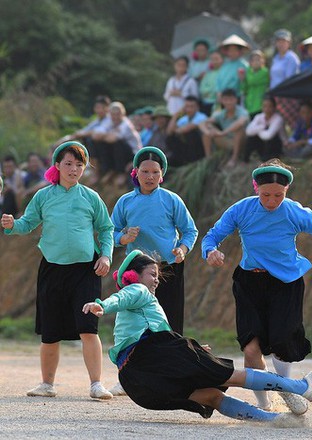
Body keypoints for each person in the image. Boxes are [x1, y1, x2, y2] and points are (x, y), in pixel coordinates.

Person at [201, 159, 312, 413]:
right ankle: (264, 404)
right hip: (250, 283)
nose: (271, 201)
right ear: (255, 188)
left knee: (282, 343)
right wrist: (210, 251)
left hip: (286, 283)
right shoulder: (241, 209)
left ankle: (286, 393)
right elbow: (213, 235)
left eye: (278, 195)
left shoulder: (294, 212)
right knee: (250, 349)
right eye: (266, 194)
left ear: (287, 191)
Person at [82, 250, 312, 421]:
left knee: (212, 396)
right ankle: (302, 387)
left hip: (137, 381)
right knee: (233, 375)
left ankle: (273, 421)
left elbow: (161, 335)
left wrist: (193, 349)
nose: (156, 280)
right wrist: (101, 304)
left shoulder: (143, 310)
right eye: (152, 274)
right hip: (150, 356)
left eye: (157, 275)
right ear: (133, 277)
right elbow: (120, 298)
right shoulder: (136, 290)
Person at [1, 141, 114, 399]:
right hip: (52, 268)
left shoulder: (91, 197)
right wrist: (10, 223)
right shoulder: (43, 196)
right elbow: (27, 224)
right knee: (50, 332)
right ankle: (47, 384)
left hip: (86, 270)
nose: (74, 169)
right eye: (68, 164)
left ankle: (96, 384)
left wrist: (106, 256)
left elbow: (106, 229)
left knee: (88, 328)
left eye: (79, 165)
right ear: (57, 166)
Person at [112, 146, 197, 336]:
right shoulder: (125, 201)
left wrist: (182, 249)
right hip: (137, 271)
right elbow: (111, 232)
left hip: (169, 267)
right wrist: (123, 238)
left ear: (161, 175)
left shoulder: (171, 200)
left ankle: (173, 360)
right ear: (136, 172)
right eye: (145, 171)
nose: (150, 177)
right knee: (140, 319)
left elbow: (190, 230)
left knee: (171, 319)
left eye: (155, 172)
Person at [91, 101, 142, 183]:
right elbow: (95, 136)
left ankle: (121, 172)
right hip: (116, 150)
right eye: (113, 114)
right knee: (98, 143)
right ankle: (106, 170)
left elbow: (113, 139)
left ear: (123, 114)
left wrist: (104, 135)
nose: (115, 117)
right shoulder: (109, 122)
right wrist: (107, 135)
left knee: (118, 143)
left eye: (118, 114)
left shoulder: (126, 125)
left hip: (132, 153)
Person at [200, 88, 249, 166]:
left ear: (236, 100)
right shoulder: (221, 113)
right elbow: (202, 123)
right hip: (228, 142)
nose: (228, 102)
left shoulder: (242, 112)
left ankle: (234, 158)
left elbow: (240, 123)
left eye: (231, 99)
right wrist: (208, 132)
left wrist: (222, 133)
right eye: (226, 100)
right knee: (208, 128)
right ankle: (208, 158)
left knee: (239, 130)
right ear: (222, 101)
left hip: (242, 143)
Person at [271, 29, 301, 128]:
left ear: (289, 43)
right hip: (275, 94)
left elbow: (289, 79)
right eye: (279, 41)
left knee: (290, 123)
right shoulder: (276, 58)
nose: (281, 44)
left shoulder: (291, 58)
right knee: (276, 123)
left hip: (286, 95)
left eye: (284, 41)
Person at [166, 96, 207, 166]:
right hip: (187, 147)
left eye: (192, 107)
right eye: (187, 106)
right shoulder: (184, 119)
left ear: (197, 107)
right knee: (170, 138)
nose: (189, 109)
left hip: (199, 147)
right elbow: (169, 132)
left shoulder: (201, 117)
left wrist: (176, 130)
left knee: (191, 134)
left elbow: (184, 130)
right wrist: (176, 115)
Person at [243, 96, 286, 162]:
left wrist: (257, 130)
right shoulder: (259, 116)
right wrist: (262, 127)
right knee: (251, 138)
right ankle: (246, 160)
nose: (267, 109)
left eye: (270, 106)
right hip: (262, 143)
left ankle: (267, 159)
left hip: (275, 145)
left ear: (274, 107)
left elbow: (268, 136)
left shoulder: (278, 119)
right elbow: (248, 131)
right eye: (265, 106)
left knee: (272, 139)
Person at [217, 35, 250, 101]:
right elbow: (219, 80)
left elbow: (246, 82)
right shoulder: (224, 65)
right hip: (223, 96)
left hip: (236, 97)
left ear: (240, 51)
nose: (232, 53)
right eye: (230, 50)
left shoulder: (244, 65)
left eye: (235, 50)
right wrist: (219, 92)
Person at [240, 50, 269, 118]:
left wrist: (245, 77)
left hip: (260, 105)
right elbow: (244, 88)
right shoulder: (248, 72)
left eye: (258, 59)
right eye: (253, 60)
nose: (256, 62)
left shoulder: (265, 72)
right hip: (249, 104)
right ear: (250, 62)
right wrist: (242, 80)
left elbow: (252, 81)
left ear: (263, 61)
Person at [199, 49, 224, 115]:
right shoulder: (207, 74)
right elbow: (202, 89)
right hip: (206, 103)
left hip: (219, 104)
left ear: (222, 59)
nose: (214, 61)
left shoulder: (225, 73)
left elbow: (221, 88)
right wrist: (211, 92)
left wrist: (211, 92)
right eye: (212, 59)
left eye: (216, 59)